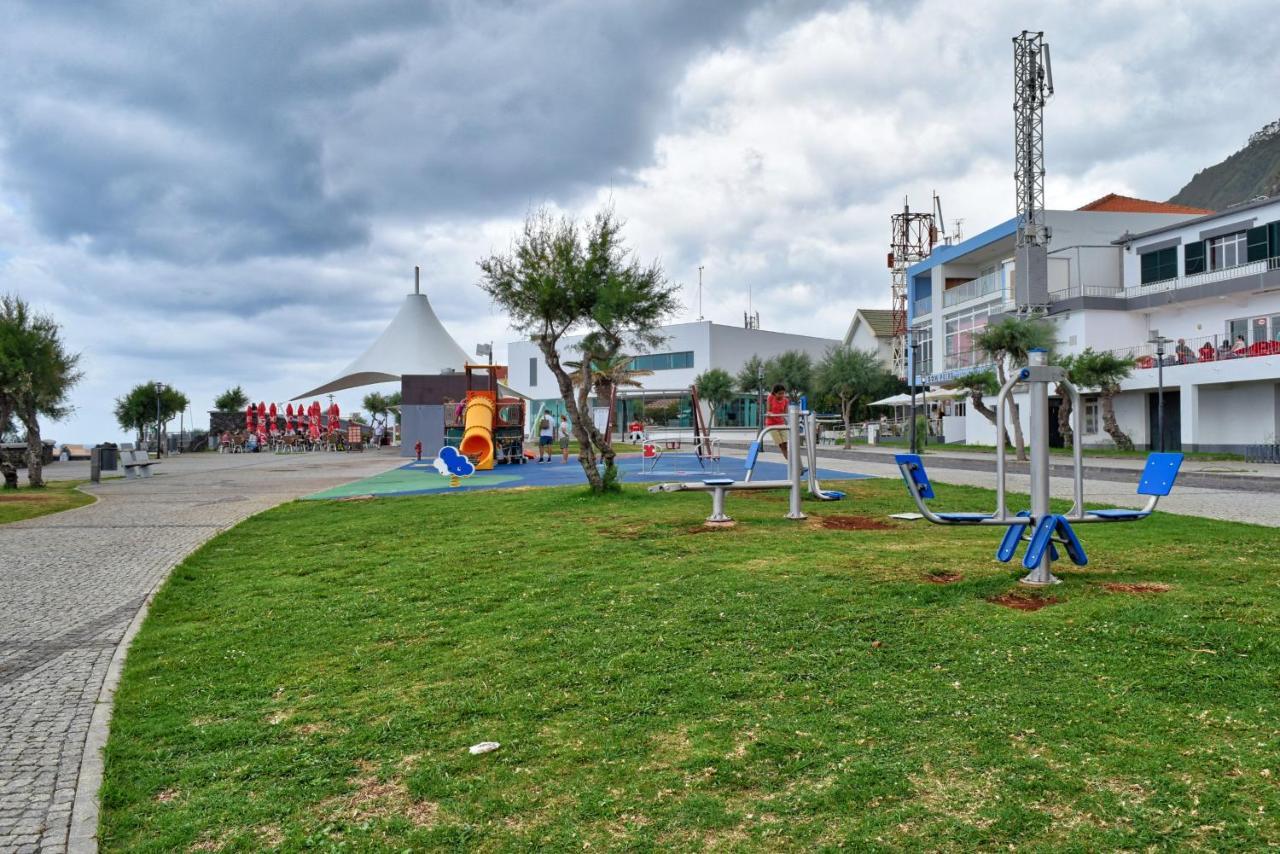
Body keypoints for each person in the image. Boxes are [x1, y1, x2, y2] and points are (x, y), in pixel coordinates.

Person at [765, 383, 790, 459]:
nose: (781, 395)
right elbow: (768, 410)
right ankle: (790, 460)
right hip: (772, 424)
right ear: (774, 393)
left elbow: (785, 413)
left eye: (783, 393)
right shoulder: (770, 397)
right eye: (779, 394)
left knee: (785, 443)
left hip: (781, 423)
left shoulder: (786, 400)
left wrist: (788, 422)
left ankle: (790, 461)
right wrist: (769, 413)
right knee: (781, 444)